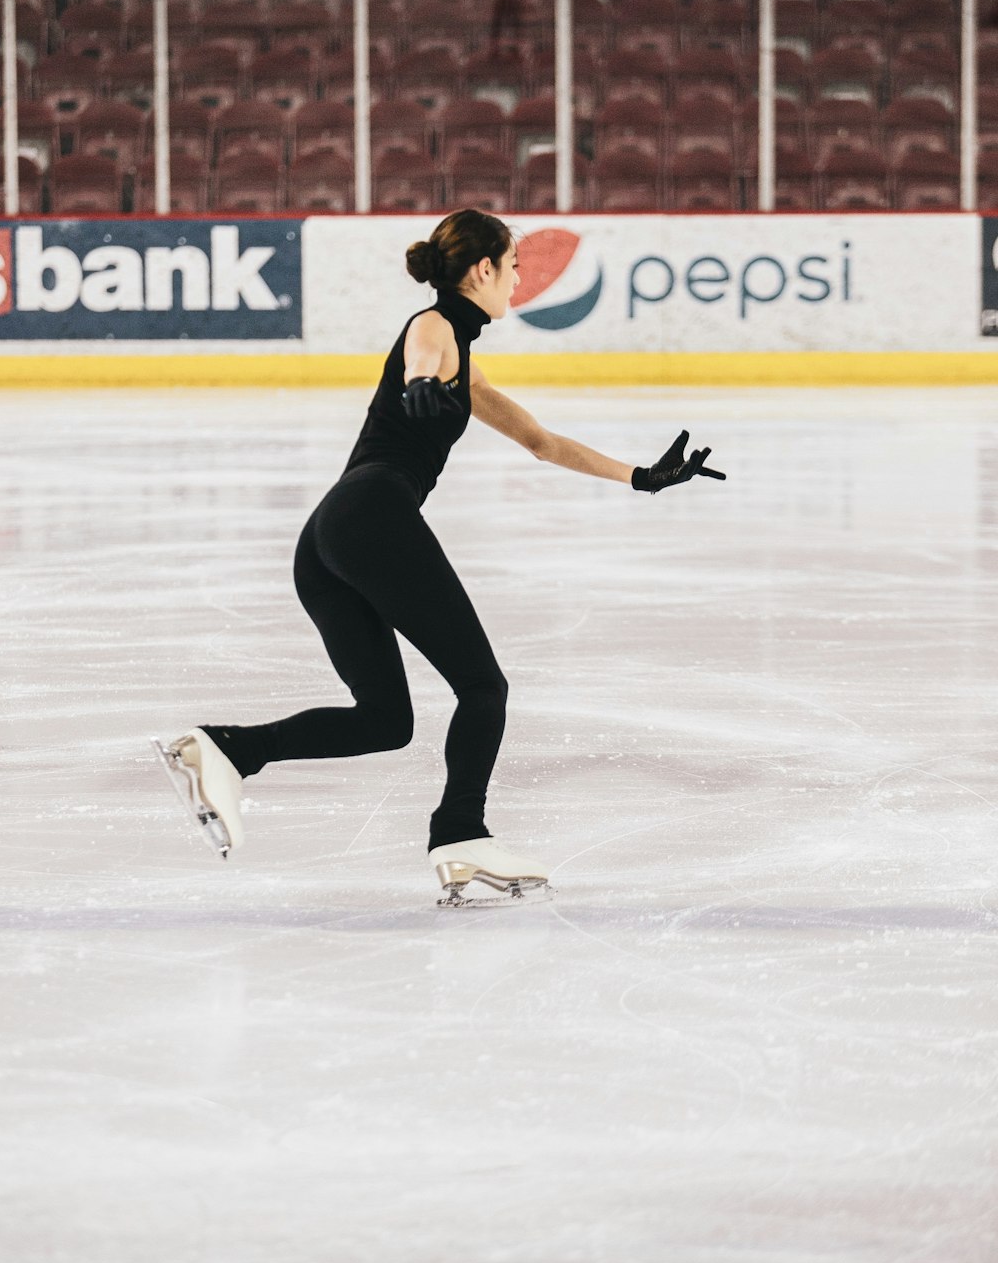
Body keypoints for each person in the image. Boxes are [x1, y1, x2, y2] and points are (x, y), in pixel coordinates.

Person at [154, 208, 725, 906]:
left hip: (331, 536)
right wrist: (422, 385)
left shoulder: (468, 360)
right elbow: (423, 354)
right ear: (482, 269)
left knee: (385, 722)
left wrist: (640, 476)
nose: (519, 280)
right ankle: (461, 830)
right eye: (513, 267)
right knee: (483, 689)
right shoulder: (437, 328)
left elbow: (541, 442)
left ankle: (231, 748)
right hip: (370, 516)